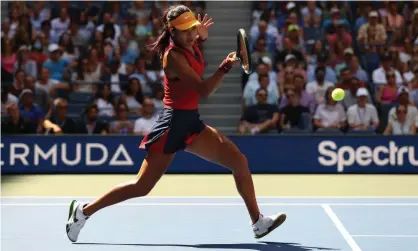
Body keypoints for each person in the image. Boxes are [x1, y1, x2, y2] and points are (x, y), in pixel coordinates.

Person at [65, 5, 286, 243]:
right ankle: (83, 212)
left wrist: (199, 33)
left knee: (239, 161)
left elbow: (200, 37)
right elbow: (204, 90)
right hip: (172, 125)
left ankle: (258, 222)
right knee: (141, 187)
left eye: (192, 28)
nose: (190, 34)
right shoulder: (173, 57)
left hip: (191, 122)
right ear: (172, 31)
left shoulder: (191, 41)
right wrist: (224, 67)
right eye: (184, 31)